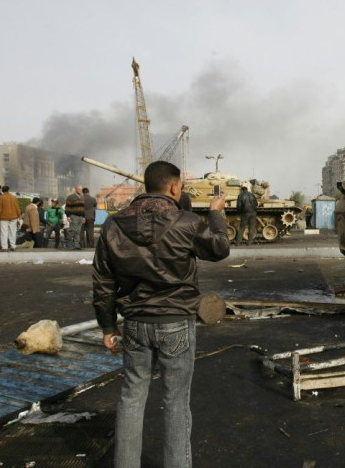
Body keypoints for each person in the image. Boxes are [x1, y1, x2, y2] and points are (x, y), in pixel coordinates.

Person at [93, 161, 229, 467]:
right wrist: (216, 213)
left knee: (131, 397)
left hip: (134, 325)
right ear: (174, 187)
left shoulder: (113, 225)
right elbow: (220, 248)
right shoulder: (186, 222)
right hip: (176, 323)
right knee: (176, 402)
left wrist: (106, 327)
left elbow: (103, 281)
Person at [0, 185, 20, 251]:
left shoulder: (1, 198)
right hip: (14, 217)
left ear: (2, 191)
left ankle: (4, 247)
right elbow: (17, 208)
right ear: (8, 190)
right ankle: (13, 246)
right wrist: (19, 216)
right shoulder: (14, 197)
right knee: (12, 232)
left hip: (3, 218)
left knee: (4, 232)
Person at [65, 185, 84, 249]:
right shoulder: (71, 197)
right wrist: (68, 216)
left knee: (78, 231)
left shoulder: (82, 197)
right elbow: (68, 207)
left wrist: (84, 217)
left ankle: (77, 245)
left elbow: (83, 208)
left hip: (80, 217)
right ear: (76, 189)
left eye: (81, 189)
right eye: (79, 189)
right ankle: (68, 242)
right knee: (73, 230)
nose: (80, 190)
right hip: (74, 216)